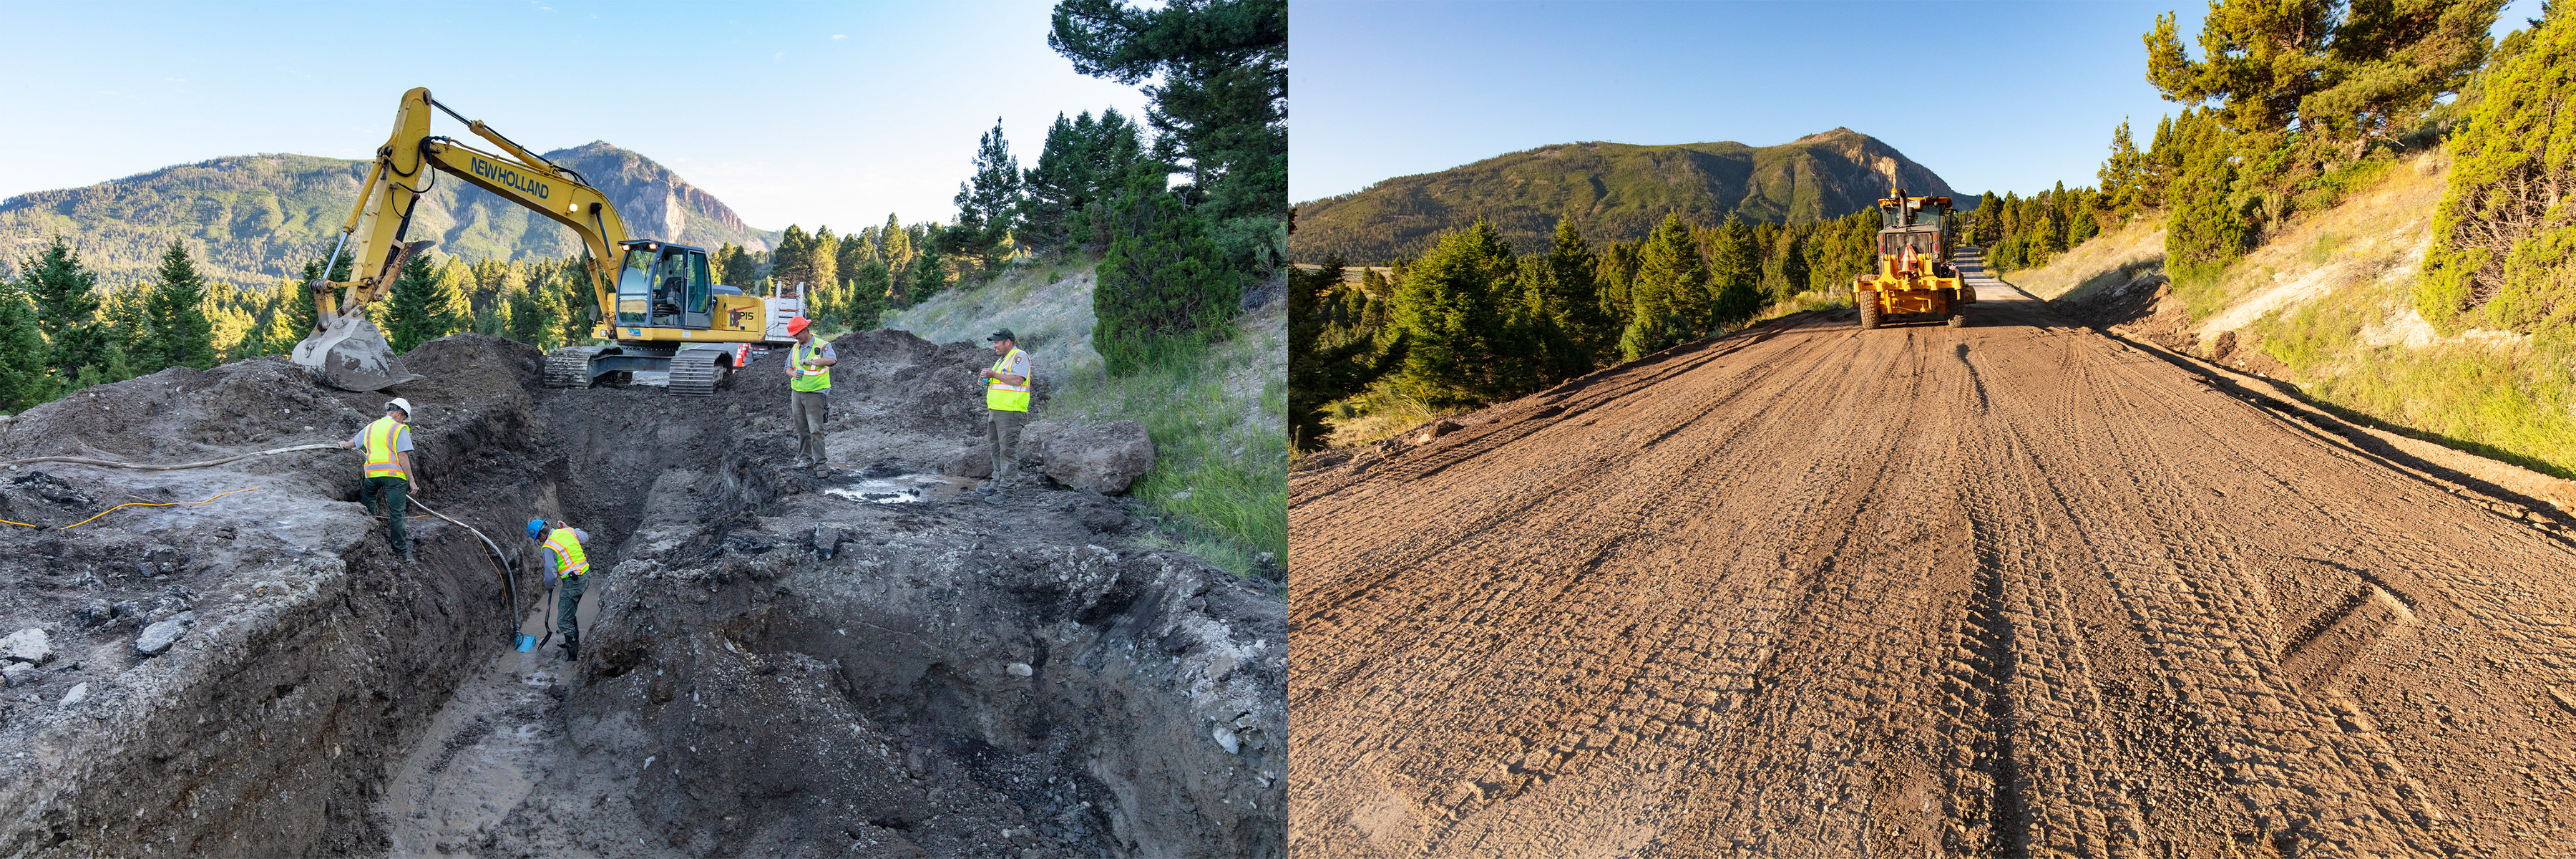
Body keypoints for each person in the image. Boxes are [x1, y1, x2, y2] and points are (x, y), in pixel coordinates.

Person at [338, 397, 419, 560]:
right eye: (404, 418)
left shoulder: (371, 427)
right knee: (396, 514)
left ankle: (369, 540)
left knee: (368, 504)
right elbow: (402, 456)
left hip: (372, 475)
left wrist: (343, 444)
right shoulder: (399, 429)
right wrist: (412, 481)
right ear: (398, 414)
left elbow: (352, 443)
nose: (403, 421)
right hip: (394, 477)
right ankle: (400, 553)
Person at [978, 329, 1032, 498]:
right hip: (996, 411)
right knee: (995, 449)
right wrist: (984, 381)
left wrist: (993, 374)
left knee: (1007, 451)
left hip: (1011, 413)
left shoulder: (1019, 356)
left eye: (996, 342)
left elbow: (1018, 380)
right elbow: (998, 382)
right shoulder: (1001, 360)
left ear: (1007, 342)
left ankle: (1006, 491)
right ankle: (996, 484)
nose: (994, 346)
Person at [529, 519, 590, 661]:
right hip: (586, 575)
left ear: (542, 536)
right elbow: (585, 537)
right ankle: (572, 642)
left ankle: (573, 655)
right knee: (569, 612)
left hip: (574, 582)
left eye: (538, 539)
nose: (540, 542)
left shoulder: (548, 546)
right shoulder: (567, 531)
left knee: (563, 621)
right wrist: (569, 527)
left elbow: (550, 573)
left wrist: (548, 585)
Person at [785, 316, 836, 475]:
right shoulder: (795, 348)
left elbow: (832, 360)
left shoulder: (822, 346)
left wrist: (813, 362)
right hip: (797, 393)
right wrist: (793, 373)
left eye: (796, 334)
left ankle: (821, 464)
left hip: (815, 394)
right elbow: (787, 368)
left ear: (805, 330)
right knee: (802, 429)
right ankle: (805, 460)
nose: (795, 338)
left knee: (816, 430)